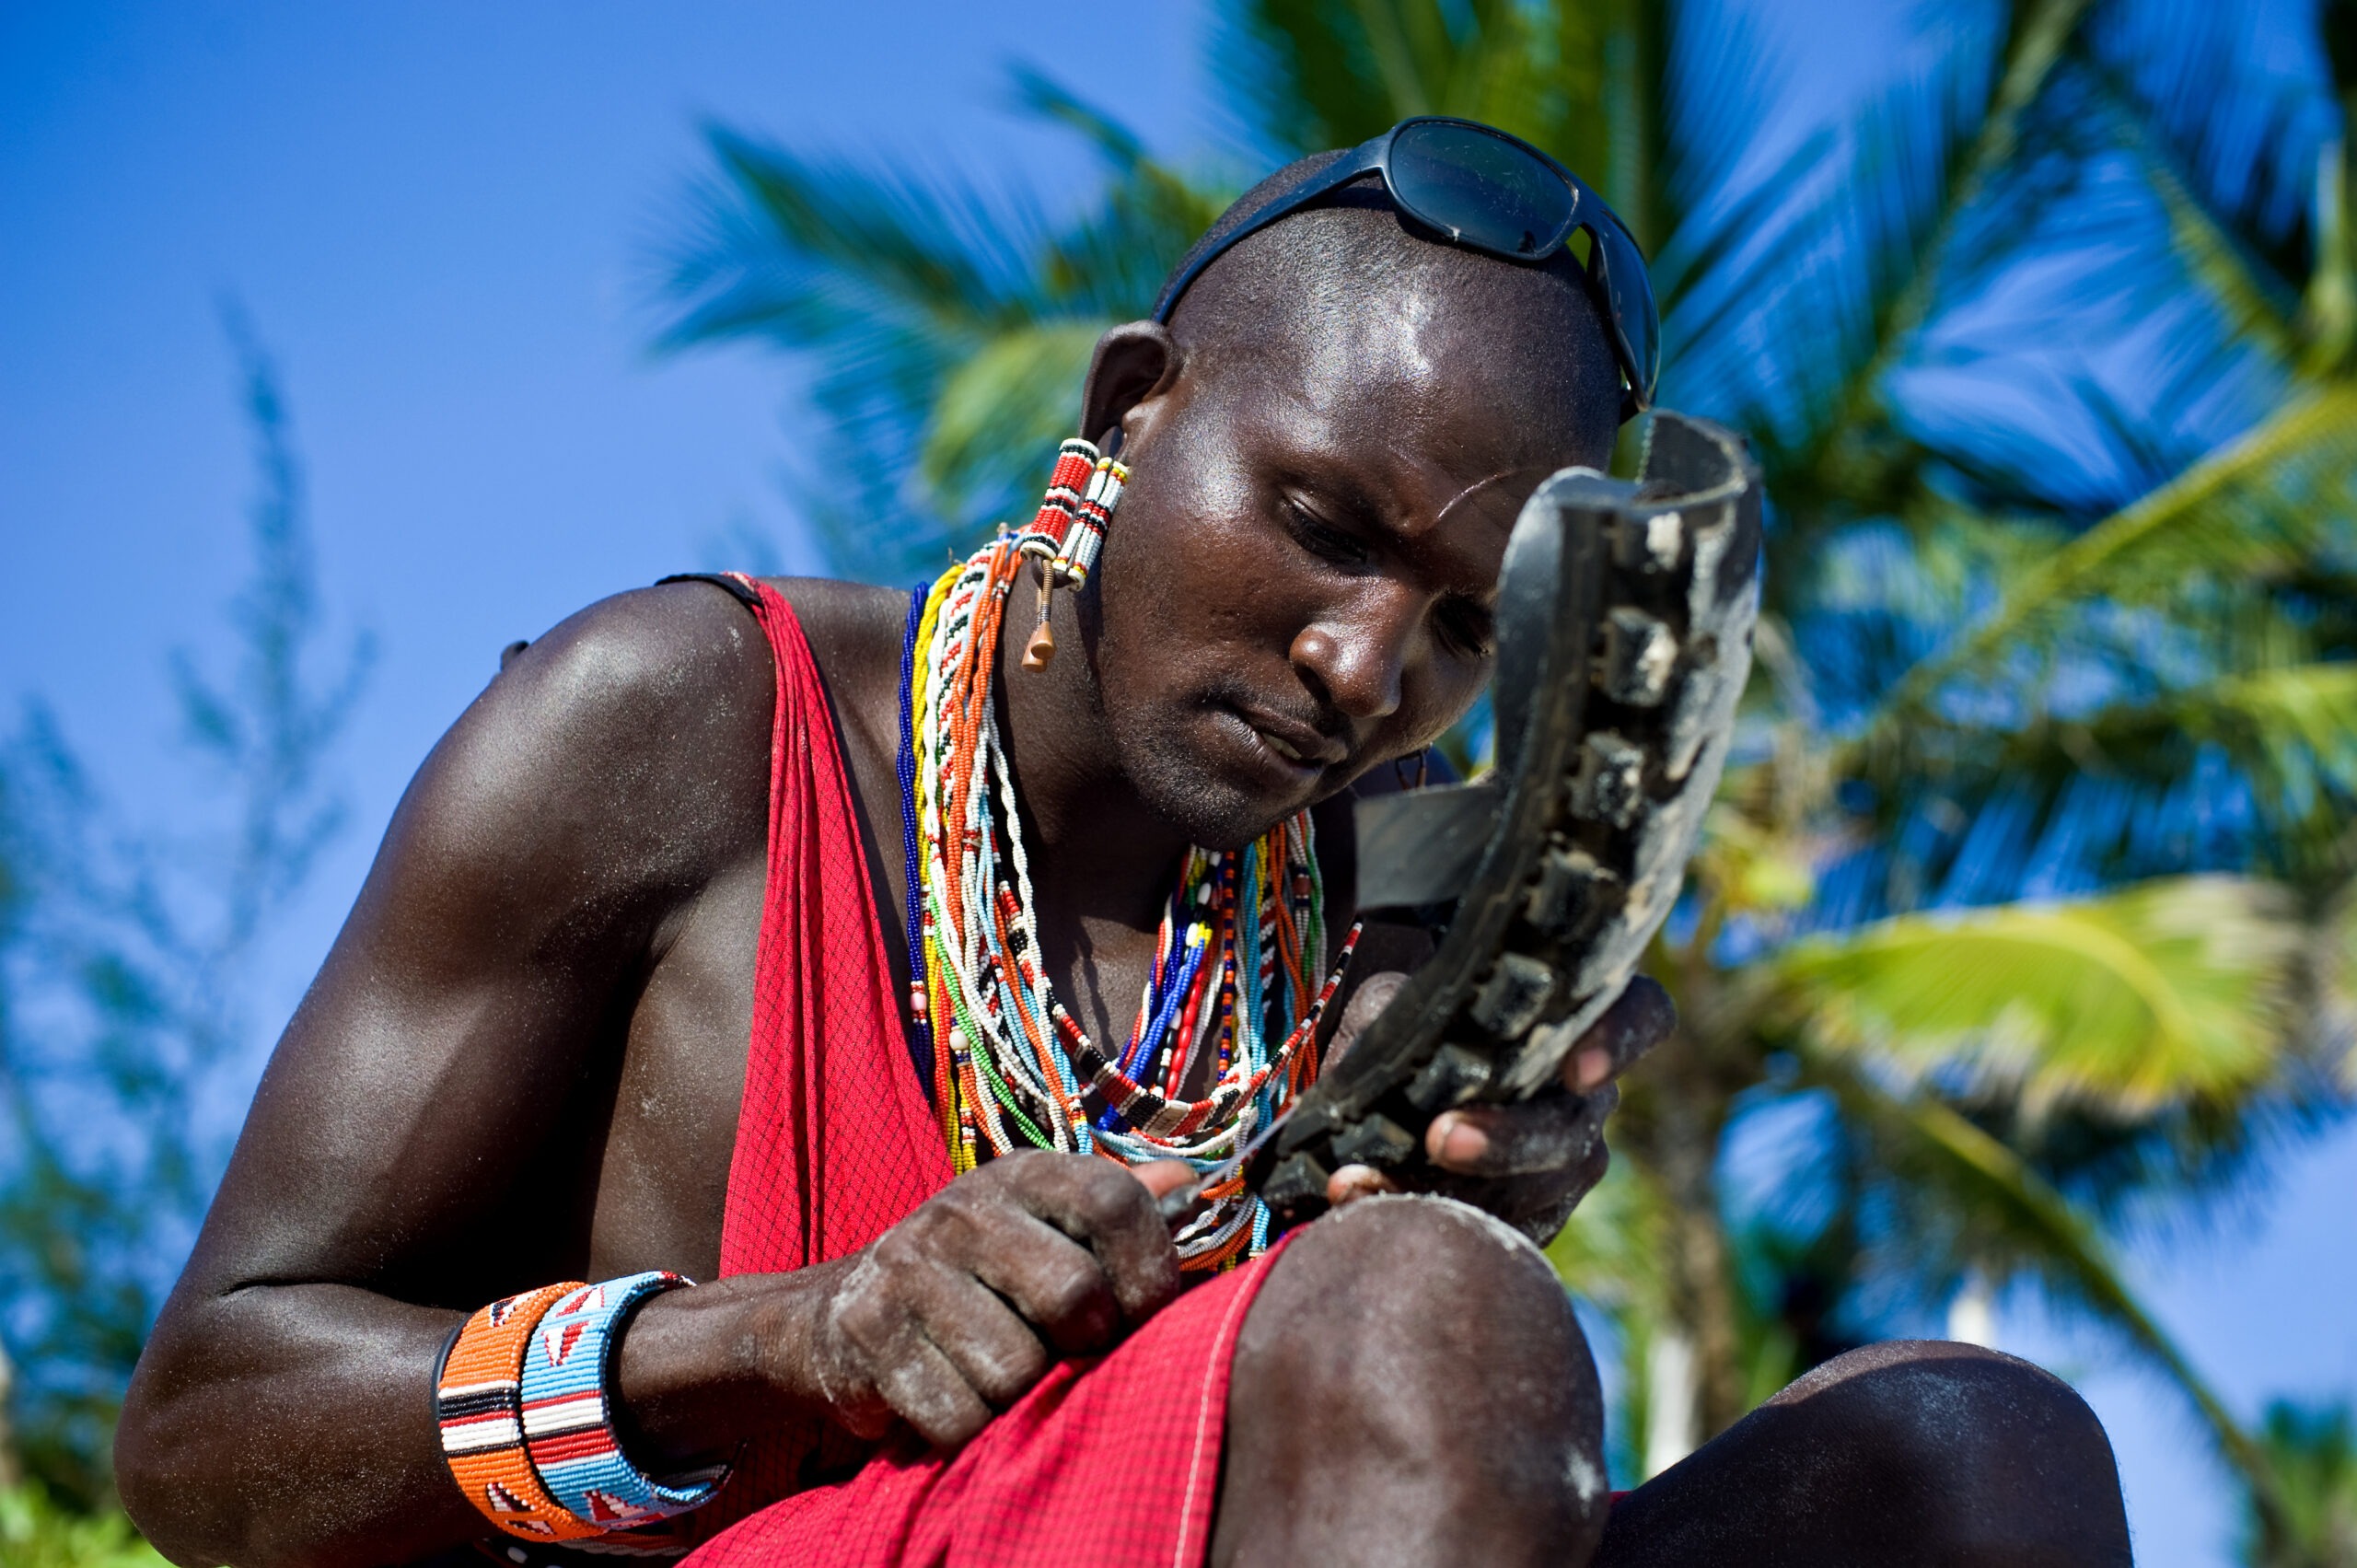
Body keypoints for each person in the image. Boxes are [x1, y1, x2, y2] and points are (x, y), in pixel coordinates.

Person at [116, 121, 2131, 1568]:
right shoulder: (683, 723)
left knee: (1962, 1455)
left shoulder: (1375, 891)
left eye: (1460, 626)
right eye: (1326, 528)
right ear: (1129, 414)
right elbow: (205, 1439)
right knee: (1421, 1315)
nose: (1362, 669)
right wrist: (786, 1331)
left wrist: (1446, 1174)